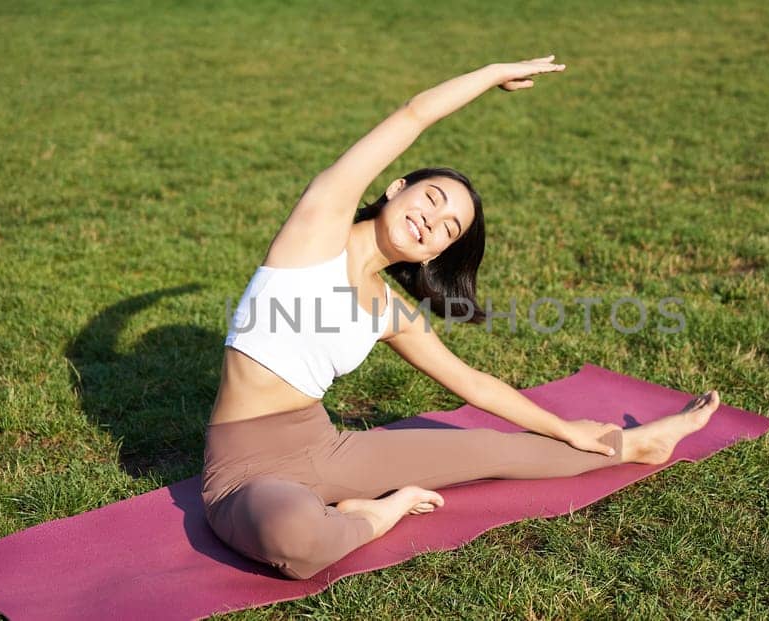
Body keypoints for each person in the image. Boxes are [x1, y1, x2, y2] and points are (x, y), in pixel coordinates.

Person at [204, 55, 723, 580]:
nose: (431, 221)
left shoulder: (391, 310)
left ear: (434, 255)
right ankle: (376, 515)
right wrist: (492, 73)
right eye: (431, 199)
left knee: (491, 451)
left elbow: (473, 383)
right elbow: (411, 116)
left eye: (448, 229)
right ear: (396, 187)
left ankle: (637, 444)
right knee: (296, 535)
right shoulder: (316, 228)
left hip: (326, 448)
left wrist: (567, 428)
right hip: (244, 470)